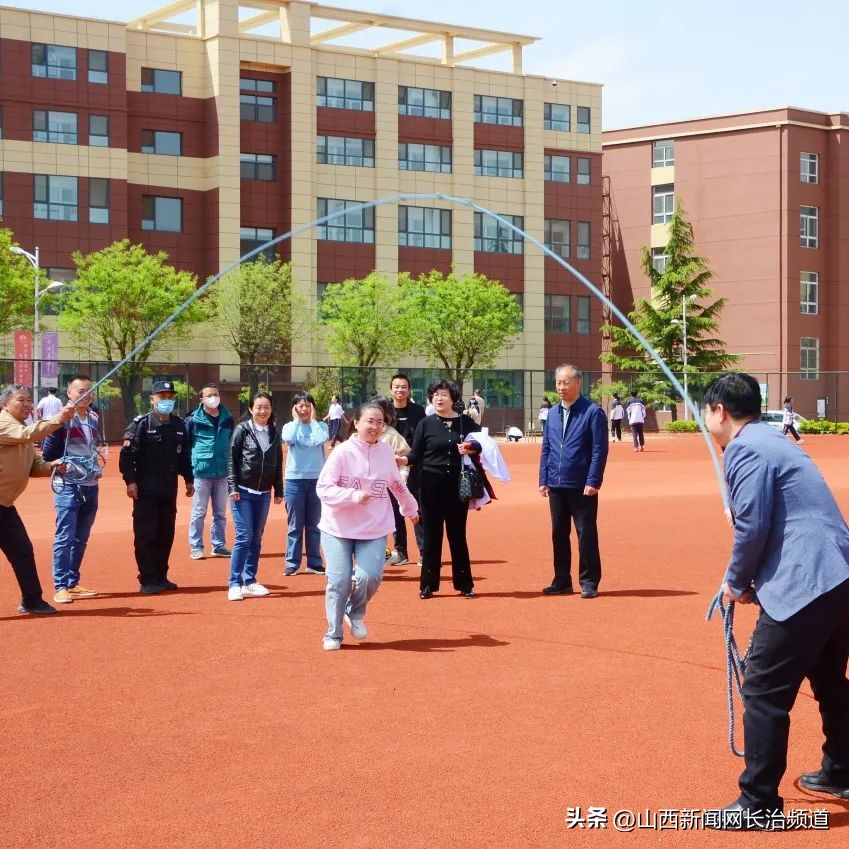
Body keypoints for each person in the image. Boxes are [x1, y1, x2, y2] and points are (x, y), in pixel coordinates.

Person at [702, 373, 849, 828]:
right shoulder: (774, 440)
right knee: (828, 678)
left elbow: (751, 528)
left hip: (805, 581)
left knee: (763, 689)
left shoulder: (745, 449)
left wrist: (734, 583)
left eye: (707, 412)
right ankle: (842, 770)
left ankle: (758, 802)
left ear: (720, 411)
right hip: (837, 574)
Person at [317, 400, 419, 650]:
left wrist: (411, 508)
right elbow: (323, 488)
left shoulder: (385, 452)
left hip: (373, 528)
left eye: (380, 423)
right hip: (337, 528)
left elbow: (396, 484)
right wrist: (352, 496)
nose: (375, 427)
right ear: (356, 423)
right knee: (339, 581)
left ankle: (355, 611)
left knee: (370, 576)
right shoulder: (342, 452)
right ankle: (333, 633)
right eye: (370, 421)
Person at [401, 379, 481, 599]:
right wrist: (402, 460)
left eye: (444, 394)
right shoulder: (426, 424)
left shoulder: (465, 422)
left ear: (453, 398)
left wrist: (472, 447)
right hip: (430, 487)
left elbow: (483, 444)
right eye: (435, 394)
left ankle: (465, 584)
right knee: (432, 536)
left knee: (457, 536)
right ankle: (427, 585)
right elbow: (416, 454)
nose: (439, 398)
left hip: (457, 487)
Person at [0, 384, 73, 615]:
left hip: (4, 505)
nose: (28, 405)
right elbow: (27, 435)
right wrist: (58, 419)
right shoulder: (4, 425)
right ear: (5, 404)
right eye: (21, 400)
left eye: (29, 400)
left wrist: (53, 466)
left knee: (22, 550)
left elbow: (33, 466)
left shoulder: (22, 428)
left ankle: (31, 600)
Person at [539, 364, 609, 599]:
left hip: (582, 485)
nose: (561, 387)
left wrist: (593, 480)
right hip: (556, 484)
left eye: (566, 382)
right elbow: (546, 448)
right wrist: (543, 478)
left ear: (579, 383)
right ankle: (561, 580)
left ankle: (589, 581)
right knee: (558, 533)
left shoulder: (592, 412)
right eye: (558, 382)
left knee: (585, 533)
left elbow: (600, 449)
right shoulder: (551, 413)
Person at [119, 380, 194, 595]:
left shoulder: (179, 425)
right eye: (162, 396)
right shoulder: (141, 424)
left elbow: (184, 456)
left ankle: (161, 576)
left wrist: (189, 479)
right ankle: (147, 578)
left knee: (165, 533)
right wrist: (130, 481)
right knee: (146, 534)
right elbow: (127, 458)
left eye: (170, 396)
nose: (167, 400)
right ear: (152, 399)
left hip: (168, 489)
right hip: (146, 490)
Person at [41, 375, 103, 604]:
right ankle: (60, 587)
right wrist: (63, 465)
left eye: (89, 391)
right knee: (65, 536)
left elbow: (92, 447)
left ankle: (72, 582)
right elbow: (47, 454)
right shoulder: (61, 418)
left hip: (90, 484)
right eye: (80, 391)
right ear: (69, 393)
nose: (85, 395)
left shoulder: (94, 416)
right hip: (67, 485)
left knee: (81, 537)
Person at [227, 392, 284, 600]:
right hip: (242, 491)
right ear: (251, 409)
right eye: (259, 407)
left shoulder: (274, 432)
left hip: (264, 493)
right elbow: (232, 459)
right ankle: (234, 583)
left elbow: (278, 462)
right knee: (244, 536)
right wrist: (232, 486)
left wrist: (279, 489)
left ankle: (250, 580)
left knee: (257, 538)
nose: (263, 411)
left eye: (266, 407)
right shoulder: (242, 430)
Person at [281, 391, 328, 576]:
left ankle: (314, 562)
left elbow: (320, 440)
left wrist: (314, 421)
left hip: (317, 480)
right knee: (295, 525)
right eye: (300, 405)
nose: (304, 409)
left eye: (308, 405)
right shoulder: (289, 427)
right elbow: (289, 439)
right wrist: (295, 421)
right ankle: (292, 563)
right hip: (294, 481)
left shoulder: (321, 426)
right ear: (294, 408)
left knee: (314, 524)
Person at [186, 383, 234, 560]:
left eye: (216, 394)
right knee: (199, 512)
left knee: (220, 513)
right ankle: (196, 546)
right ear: (201, 399)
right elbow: (188, 445)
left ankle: (219, 545)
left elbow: (231, 443)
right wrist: (190, 472)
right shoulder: (192, 420)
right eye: (209, 395)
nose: (213, 397)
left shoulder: (228, 417)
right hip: (201, 473)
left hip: (222, 472)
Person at [389, 373, 426, 565]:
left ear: (409, 390)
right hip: (390, 466)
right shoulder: (385, 411)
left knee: (416, 508)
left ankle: (424, 551)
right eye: (396, 387)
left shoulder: (418, 411)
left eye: (404, 387)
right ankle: (401, 552)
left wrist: (410, 459)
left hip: (413, 465)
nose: (400, 390)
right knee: (394, 509)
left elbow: (422, 439)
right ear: (391, 390)